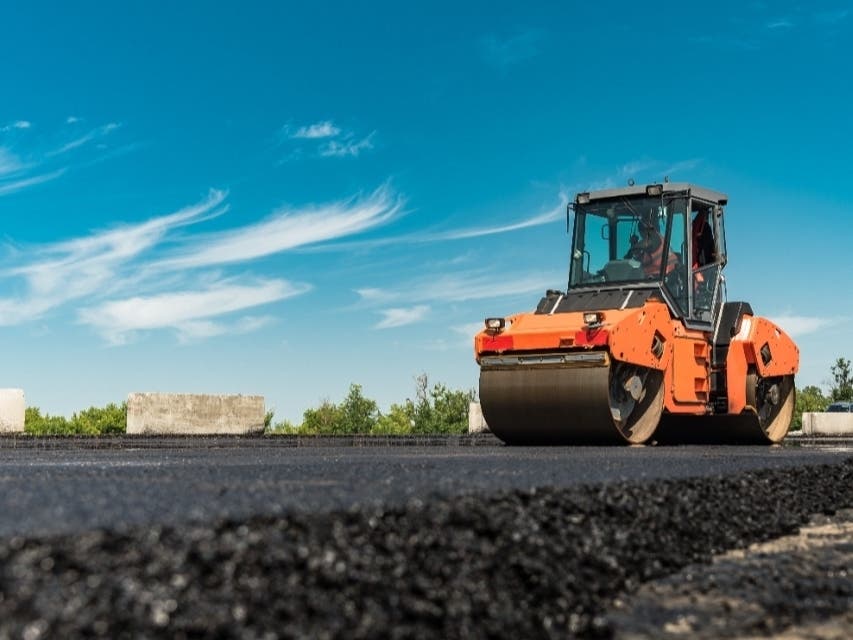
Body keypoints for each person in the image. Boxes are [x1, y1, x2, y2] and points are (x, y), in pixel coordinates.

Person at [625, 212, 677, 278]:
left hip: (661, 278)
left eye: (641, 232)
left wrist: (631, 251)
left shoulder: (655, 238)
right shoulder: (652, 247)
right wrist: (633, 245)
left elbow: (643, 245)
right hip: (656, 277)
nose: (642, 236)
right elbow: (640, 258)